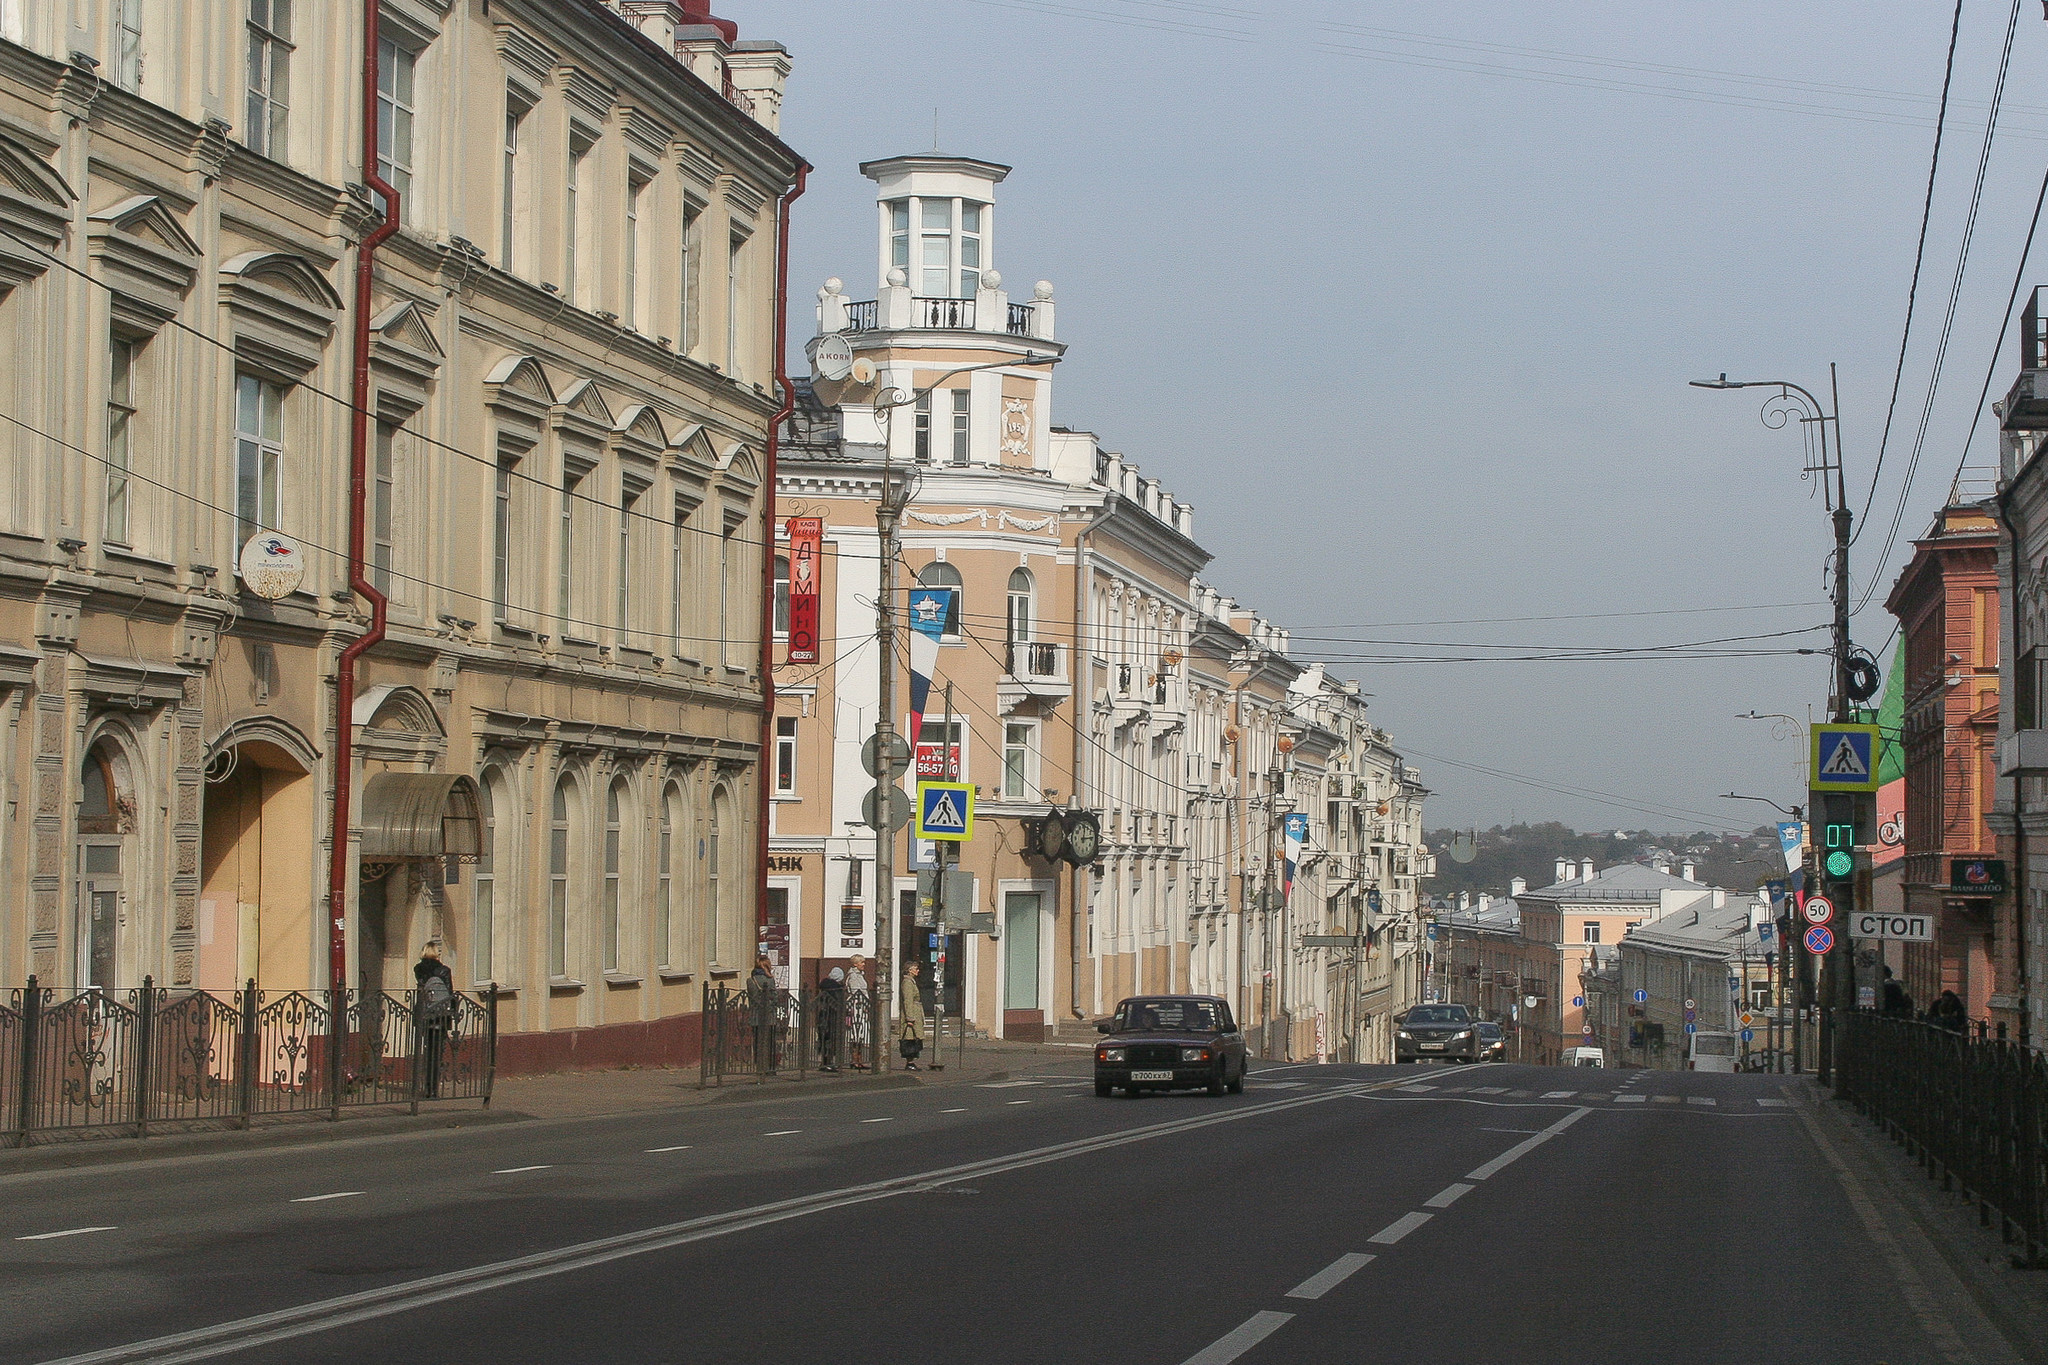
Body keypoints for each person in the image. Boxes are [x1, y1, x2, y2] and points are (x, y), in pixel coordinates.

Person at [413, 939, 455, 1099]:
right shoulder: (444, 970)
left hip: (426, 1014)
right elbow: (449, 993)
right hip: (440, 1015)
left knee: (428, 1050)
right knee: (437, 1052)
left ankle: (426, 1087)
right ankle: (434, 1090)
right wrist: (453, 1012)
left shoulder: (418, 969)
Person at [899, 959, 927, 1070]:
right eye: (916, 968)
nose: (918, 971)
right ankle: (909, 1062)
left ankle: (911, 1061)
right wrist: (909, 1018)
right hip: (912, 1014)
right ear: (910, 970)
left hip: (915, 1012)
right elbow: (908, 1000)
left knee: (915, 1037)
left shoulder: (911, 982)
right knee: (909, 1038)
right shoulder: (907, 983)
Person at [817, 967, 846, 1072]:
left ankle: (825, 1062)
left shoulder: (825, 986)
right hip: (832, 1016)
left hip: (824, 1015)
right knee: (831, 1039)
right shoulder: (835, 989)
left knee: (824, 1038)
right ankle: (828, 1062)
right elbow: (837, 1003)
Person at [846, 955, 871, 1070]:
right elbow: (856, 992)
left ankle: (859, 1059)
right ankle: (854, 1059)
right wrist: (864, 1003)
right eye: (862, 962)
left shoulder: (860, 975)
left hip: (862, 1007)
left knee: (861, 1034)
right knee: (856, 1034)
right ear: (855, 964)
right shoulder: (853, 976)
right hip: (857, 1007)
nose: (864, 964)